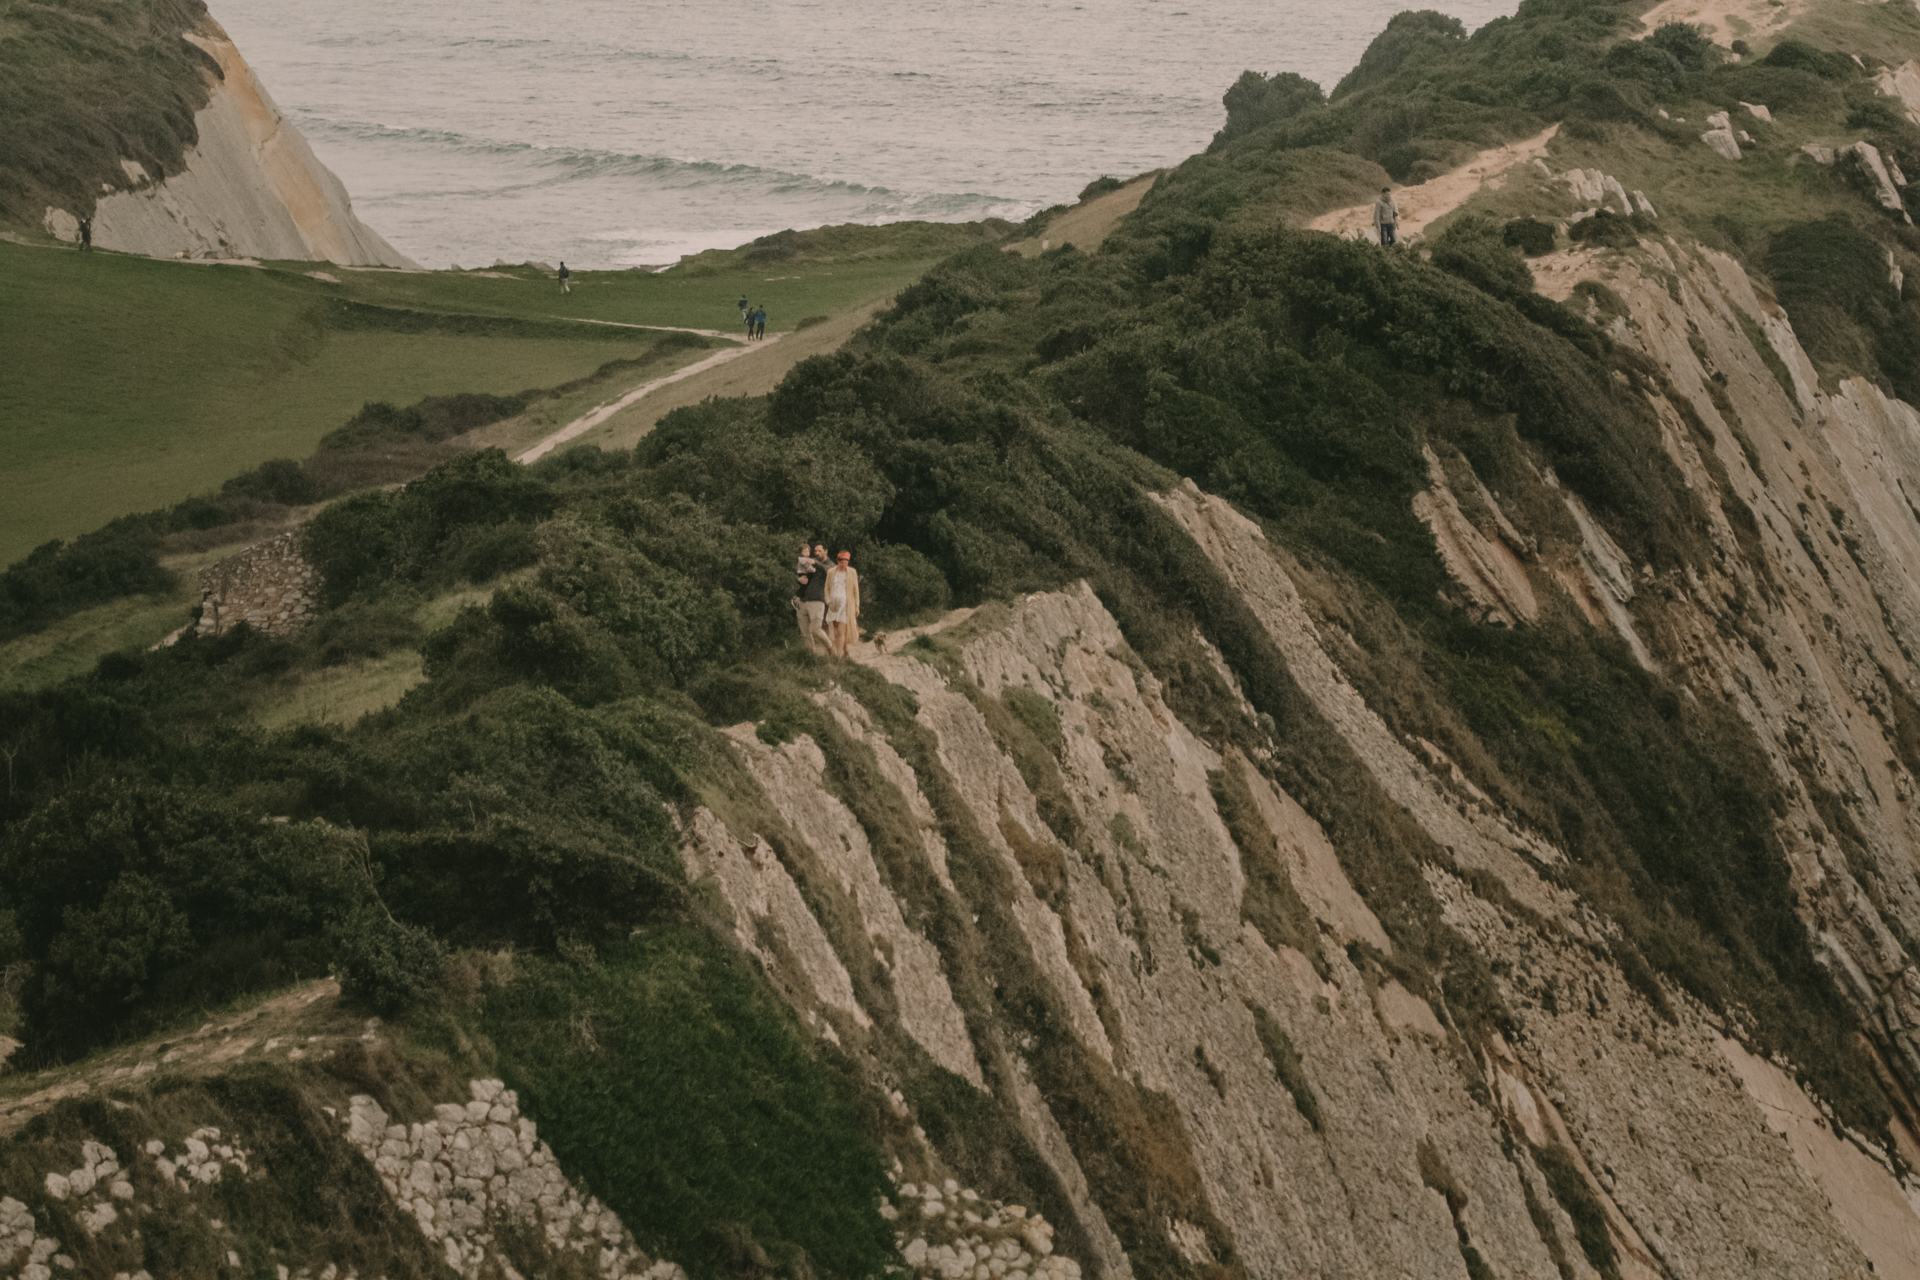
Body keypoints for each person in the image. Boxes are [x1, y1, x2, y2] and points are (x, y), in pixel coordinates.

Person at [794, 542, 830, 654]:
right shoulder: (808, 562)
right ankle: (811, 657)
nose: (817, 553)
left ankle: (830, 648)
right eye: (815, 551)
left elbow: (830, 570)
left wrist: (815, 563)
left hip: (817, 600)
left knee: (815, 630)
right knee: (805, 633)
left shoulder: (828, 564)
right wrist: (798, 579)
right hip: (803, 600)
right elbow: (798, 573)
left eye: (819, 551)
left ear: (826, 551)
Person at [823, 550, 860, 656]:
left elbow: (855, 590)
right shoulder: (831, 572)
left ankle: (838, 655)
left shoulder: (852, 572)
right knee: (835, 632)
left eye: (846, 561)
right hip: (833, 606)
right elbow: (827, 588)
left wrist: (857, 606)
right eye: (841, 561)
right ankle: (845, 651)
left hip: (846, 606)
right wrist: (829, 602)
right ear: (838, 561)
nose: (844, 563)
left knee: (840, 632)